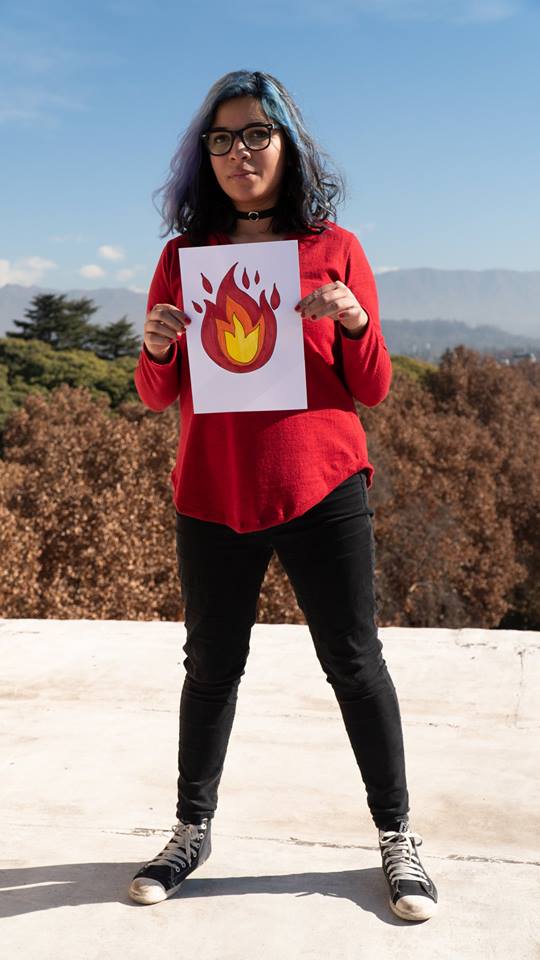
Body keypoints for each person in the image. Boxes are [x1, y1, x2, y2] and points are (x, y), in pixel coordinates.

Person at [129, 69, 438, 922]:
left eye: (256, 134)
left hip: (322, 485)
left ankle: (397, 836)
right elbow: (157, 395)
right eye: (221, 139)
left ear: (287, 145)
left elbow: (372, 387)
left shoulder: (336, 247)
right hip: (212, 491)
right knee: (210, 667)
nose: (240, 152)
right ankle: (191, 830)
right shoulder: (182, 260)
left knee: (355, 662)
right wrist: (156, 346)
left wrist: (354, 321)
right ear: (205, 157)